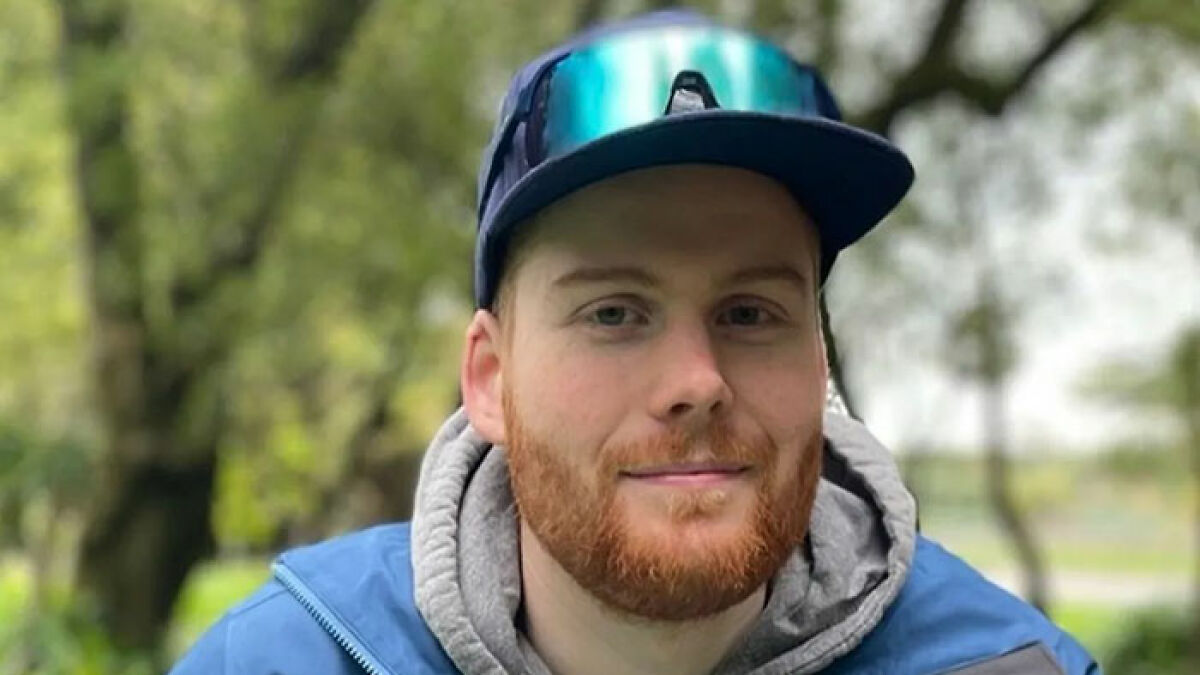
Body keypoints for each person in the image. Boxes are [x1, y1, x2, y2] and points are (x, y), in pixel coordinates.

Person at [170, 10, 1098, 675]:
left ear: (819, 364)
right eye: (614, 312)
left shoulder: (1009, 666)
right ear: (490, 381)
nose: (696, 381)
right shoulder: (283, 656)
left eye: (749, 313)